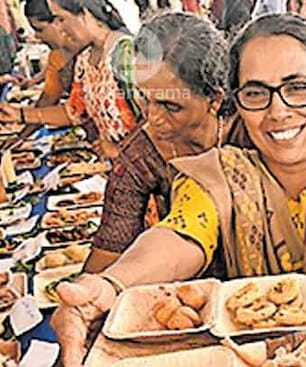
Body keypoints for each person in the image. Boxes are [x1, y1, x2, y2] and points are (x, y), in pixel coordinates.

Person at [18, 14, 306, 367]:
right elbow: (180, 232)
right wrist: (111, 285)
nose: (278, 111)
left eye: (297, 88)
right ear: (238, 101)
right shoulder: (218, 173)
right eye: (257, 93)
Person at [85, 12, 245, 272]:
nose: (153, 119)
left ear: (214, 99)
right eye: (144, 99)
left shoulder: (249, 130)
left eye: (170, 106)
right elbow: (110, 249)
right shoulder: (140, 154)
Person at [0, 0, 141, 159]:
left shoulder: (125, 55)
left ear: (86, 14)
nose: (58, 28)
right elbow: (73, 111)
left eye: (61, 19)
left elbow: (157, 123)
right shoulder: (85, 59)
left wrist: (120, 151)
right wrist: (19, 114)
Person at [24, 0, 86, 108]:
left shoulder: (92, 53)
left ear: (59, 22)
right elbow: (49, 97)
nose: (37, 37)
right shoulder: (57, 57)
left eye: (40, 29)